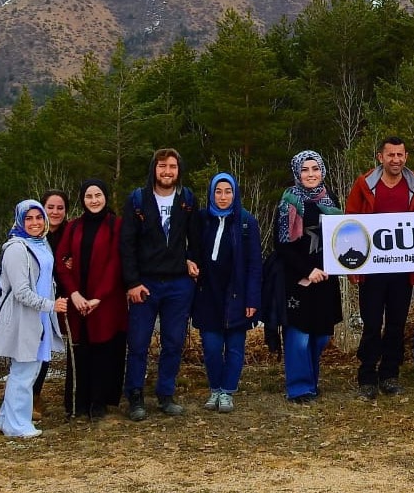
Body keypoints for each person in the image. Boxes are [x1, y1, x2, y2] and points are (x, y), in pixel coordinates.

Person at [346, 135, 414, 400]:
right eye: (390, 155)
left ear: (406, 157)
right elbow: (351, 222)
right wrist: (353, 267)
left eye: (400, 155)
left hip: (402, 269)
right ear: (380, 157)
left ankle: (390, 374)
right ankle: (367, 375)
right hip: (372, 269)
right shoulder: (364, 184)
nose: (396, 160)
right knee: (372, 324)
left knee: (396, 323)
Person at [119, 148, 200, 419]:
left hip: (178, 284)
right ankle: (135, 395)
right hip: (145, 283)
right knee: (139, 343)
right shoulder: (138, 199)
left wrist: (191, 259)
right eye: (162, 166)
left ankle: (165, 394)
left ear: (179, 170)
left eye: (173, 167)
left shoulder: (187, 199)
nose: (167, 172)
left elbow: (196, 237)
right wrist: (131, 282)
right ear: (154, 168)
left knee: (173, 342)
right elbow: (127, 244)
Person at [53, 179, 128, 420]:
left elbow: (116, 264)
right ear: (82, 200)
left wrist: (98, 298)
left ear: (105, 196)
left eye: (98, 195)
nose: (94, 200)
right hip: (77, 301)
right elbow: (60, 261)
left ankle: (99, 401)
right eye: (88, 196)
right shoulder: (73, 227)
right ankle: (78, 401)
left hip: (105, 301)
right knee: (80, 349)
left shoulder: (117, 225)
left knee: (103, 350)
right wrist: (74, 294)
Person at [0, 200, 69, 439]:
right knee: (24, 371)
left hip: (39, 318)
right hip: (23, 318)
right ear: (20, 221)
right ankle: (18, 424)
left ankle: (6, 419)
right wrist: (51, 305)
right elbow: (21, 291)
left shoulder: (41, 243)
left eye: (39, 217)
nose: (35, 223)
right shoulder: (16, 248)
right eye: (29, 219)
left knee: (29, 369)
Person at [275, 150, 344, 403]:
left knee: (321, 334)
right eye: (305, 170)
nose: (311, 174)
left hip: (326, 277)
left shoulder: (330, 198)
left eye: (315, 168)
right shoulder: (288, 202)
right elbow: (282, 245)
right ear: (297, 173)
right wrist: (307, 271)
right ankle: (299, 387)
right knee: (300, 336)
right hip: (298, 279)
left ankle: (312, 382)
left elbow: (341, 235)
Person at [192, 173, 262, 412]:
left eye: (228, 191)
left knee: (234, 347)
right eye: (218, 192)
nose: (223, 197)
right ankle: (214, 389)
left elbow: (254, 264)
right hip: (208, 293)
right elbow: (192, 250)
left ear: (235, 193)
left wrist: (252, 297)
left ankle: (227, 392)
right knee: (211, 347)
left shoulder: (246, 222)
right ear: (211, 193)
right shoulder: (202, 219)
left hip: (236, 294)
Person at [32, 188, 71, 421]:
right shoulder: (34, 233)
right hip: (38, 301)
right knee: (37, 350)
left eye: (60, 208)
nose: (55, 212)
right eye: (50, 207)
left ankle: (72, 396)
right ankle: (31, 395)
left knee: (53, 348)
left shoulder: (71, 232)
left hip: (64, 299)